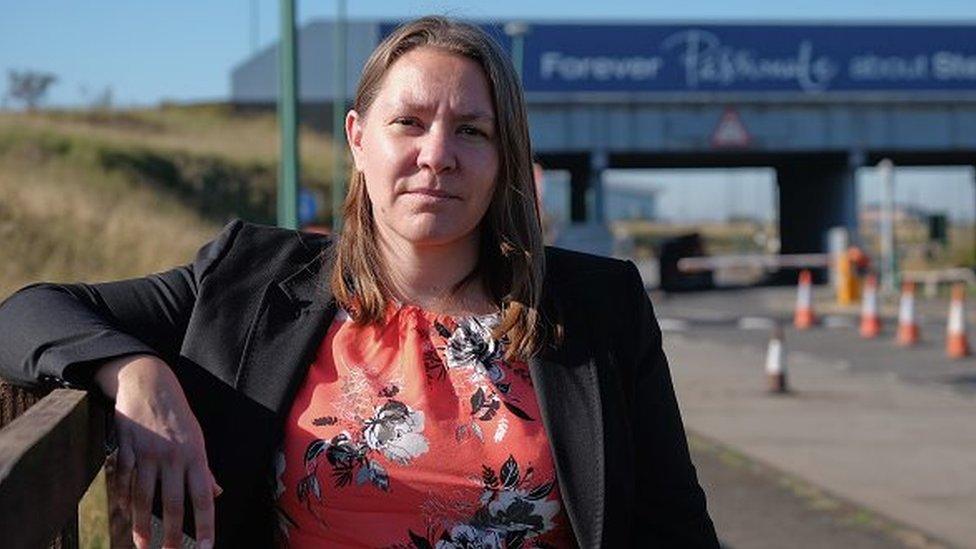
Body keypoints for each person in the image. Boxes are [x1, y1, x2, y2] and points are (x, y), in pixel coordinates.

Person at [0, 16, 718, 549]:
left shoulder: (599, 306)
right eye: (409, 122)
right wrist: (136, 371)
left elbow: (675, 526)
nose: (437, 155)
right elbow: (25, 314)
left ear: (504, 157)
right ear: (357, 138)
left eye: (473, 130)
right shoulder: (249, 282)